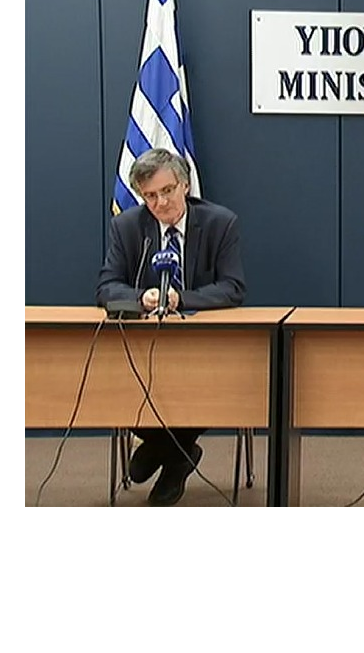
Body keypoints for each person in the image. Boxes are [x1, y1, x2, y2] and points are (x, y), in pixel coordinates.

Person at [96, 147, 246, 506]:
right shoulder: (127, 227)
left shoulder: (219, 223)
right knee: (113, 382)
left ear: (184, 185)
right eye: (150, 196)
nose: (161, 203)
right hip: (144, 351)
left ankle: (163, 450)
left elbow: (233, 287)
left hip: (204, 351)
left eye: (167, 191)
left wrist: (182, 299)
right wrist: (140, 297)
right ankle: (178, 453)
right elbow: (106, 287)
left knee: (217, 384)